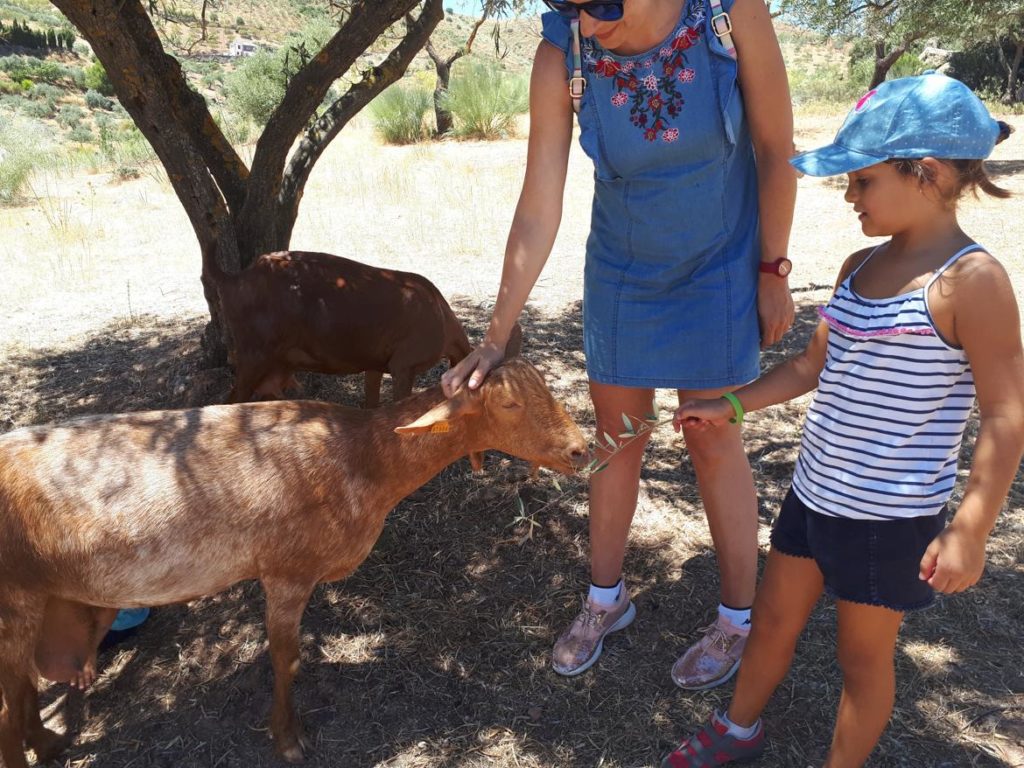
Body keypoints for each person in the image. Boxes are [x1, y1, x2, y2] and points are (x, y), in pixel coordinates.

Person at [662, 73, 1023, 766]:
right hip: (814, 496)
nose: (850, 198)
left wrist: (971, 530)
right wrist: (730, 405)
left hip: (889, 522)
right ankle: (738, 729)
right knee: (770, 620)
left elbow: (1007, 413)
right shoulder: (858, 266)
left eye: (862, 181)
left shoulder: (972, 281)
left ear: (929, 173)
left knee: (862, 660)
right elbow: (810, 368)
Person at [442, 0, 796, 686]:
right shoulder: (565, 53)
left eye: (599, 3)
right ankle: (606, 599)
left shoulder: (727, 15)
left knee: (711, 435)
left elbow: (776, 151)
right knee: (617, 437)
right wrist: (494, 335)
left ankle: (736, 620)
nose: (585, 19)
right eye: (565, 2)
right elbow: (539, 202)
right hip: (624, 271)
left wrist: (772, 267)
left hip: (720, 263)